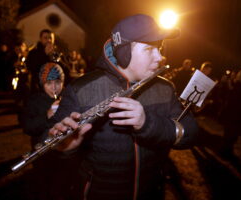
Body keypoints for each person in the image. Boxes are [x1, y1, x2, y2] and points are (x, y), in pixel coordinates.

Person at [48, 14, 199, 200]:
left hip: (150, 192)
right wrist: (65, 148)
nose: (160, 57)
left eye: (159, 48)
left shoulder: (165, 88)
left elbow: (190, 134)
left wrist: (149, 124)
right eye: (150, 49)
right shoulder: (81, 89)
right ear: (124, 52)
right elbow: (49, 140)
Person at [18, 62, 77, 200]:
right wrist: (47, 115)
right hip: (42, 155)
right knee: (44, 187)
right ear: (41, 83)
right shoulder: (34, 101)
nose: (54, 87)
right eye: (49, 83)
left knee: (63, 186)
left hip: (64, 154)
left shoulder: (68, 99)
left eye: (58, 82)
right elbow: (28, 127)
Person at [26, 29, 70, 94]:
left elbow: (66, 70)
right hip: (38, 90)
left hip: (56, 89)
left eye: (50, 38)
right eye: (45, 38)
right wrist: (45, 55)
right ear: (41, 39)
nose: (48, 40)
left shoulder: (58, 53)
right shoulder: (33, 53)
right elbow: (32, 68)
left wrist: (58, 60)